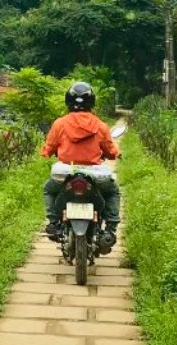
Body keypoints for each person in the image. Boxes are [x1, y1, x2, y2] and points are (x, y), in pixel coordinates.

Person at [41, 81, 121, 245]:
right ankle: (110, 229)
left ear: (68, 101)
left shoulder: (60, 124)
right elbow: (110, 150)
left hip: (66, 172)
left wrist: (46, 152)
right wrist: (116, 154)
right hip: (94, 174)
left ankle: (53, 223)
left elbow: (48, 148)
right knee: (112, 192)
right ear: (92, 102)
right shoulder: (100, 125)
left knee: (49, 190)